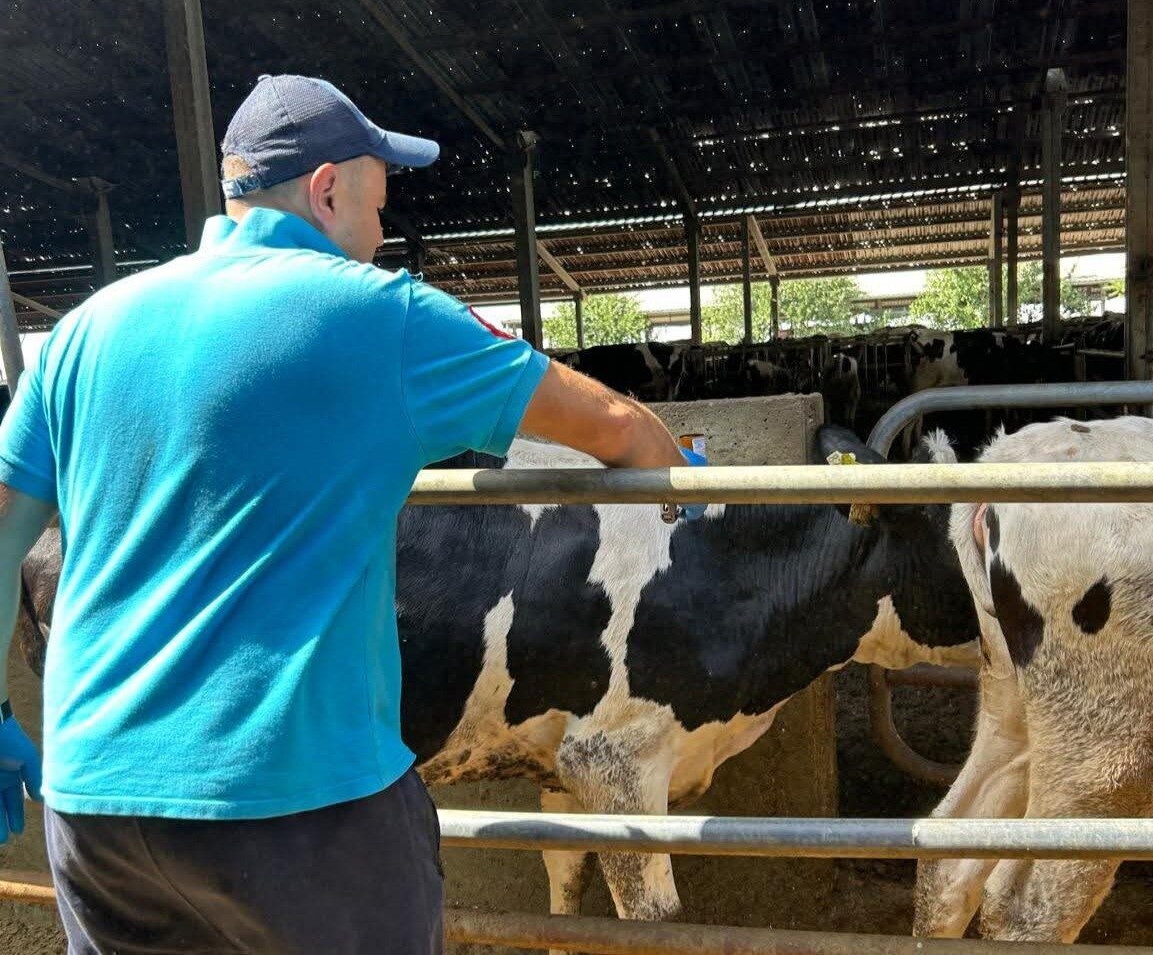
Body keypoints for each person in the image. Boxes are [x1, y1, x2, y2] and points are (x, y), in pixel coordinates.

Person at [0, 74, 690, 954]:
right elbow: (618, 429)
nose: (379, 237)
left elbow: (3, 528)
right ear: (327, 191)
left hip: (96, 807)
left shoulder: (81, 333)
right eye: (377, 207)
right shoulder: (380, 316)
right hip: (301, 807)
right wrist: (690, 489)